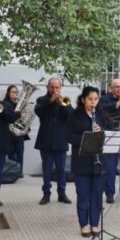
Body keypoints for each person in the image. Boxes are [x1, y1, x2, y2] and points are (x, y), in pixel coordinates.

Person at [68, 86, 111, 237]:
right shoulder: (74, 116)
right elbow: (69, 137)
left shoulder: (101, 115)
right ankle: (84, 224)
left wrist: (101, 133)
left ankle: (94, 223)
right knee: (83, 195)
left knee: (97, 195)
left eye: (96, 99)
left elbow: (109, 134)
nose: (93, 102)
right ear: (83, 100)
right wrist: (87, 137)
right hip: (81, 161)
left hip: (98, 161)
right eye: (90, 99)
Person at [34, 77, 73, 205]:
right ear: (47, 87)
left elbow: (72, 116)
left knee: (61, 169)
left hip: (61, 141)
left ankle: (62, 194)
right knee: (47, 170)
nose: (55, 90)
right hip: (46, 141)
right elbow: (38, 111)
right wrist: (50, 101)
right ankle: (46, 194)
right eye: (52, 87)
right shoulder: (42, 100)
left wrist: (63, 104)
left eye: (57, 87)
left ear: (60, 88)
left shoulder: (65, 101)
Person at [3, 85, 30, 176]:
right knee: (11, 154)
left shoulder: (20, 103)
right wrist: (18, 114)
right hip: (9, 133)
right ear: (8, 93)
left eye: (16, 92)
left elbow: (25, 119)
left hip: (19, 133)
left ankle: (19, 172)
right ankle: (12, 172)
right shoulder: (4, 103)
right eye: (12, 92)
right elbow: (7, 116)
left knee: (20, 153)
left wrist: (25, 116)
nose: (15, 94)